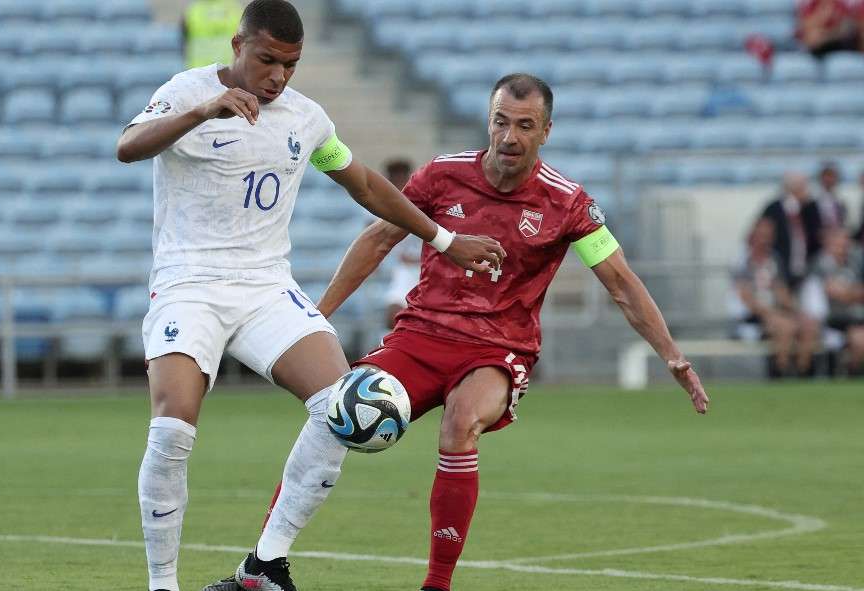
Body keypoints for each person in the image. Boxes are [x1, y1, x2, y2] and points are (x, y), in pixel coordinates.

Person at [115, 2, 505, 591]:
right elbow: (129, 146)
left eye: (290, 65)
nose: (277, 76)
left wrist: (444, 239)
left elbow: (366, 185)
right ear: (238, 44)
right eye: (267, 59)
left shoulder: (305, 119)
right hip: (188, 286)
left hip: (267, 288)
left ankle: (264, 565)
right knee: (172, 429)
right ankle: (162, 585)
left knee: (340, 407)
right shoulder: (187, 90)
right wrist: (202, 112)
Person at [285, 73, 708, 591]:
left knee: (461, 423)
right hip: (419, 335)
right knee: (334, 415)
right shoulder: (442, 176)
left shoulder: (567, 203)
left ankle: (436, 585)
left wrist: (671, 355)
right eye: (501, 122)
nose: (510, 137)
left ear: (546, 131)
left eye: (525, 126)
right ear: (490, 121)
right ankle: (264, 563)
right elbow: (379, 239)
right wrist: (318, 313)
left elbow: (620, 282)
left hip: (497, 349)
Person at [732, 218, 819, 377]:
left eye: (768, 235)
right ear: (753, 236)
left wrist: (797, 311)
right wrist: (770, 313)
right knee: (785, 327)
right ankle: (781, 373)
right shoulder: (743, 262)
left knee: (808, 325)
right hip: (755, 315)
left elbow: (781, 291)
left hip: (777, 312)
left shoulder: (775, 260)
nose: (765, 239)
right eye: (762, 235)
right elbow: (745, 297)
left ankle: (803, 373)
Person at [813, 228, 864, 373]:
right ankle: (851, 373)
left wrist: (849, 292)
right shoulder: (822, 264)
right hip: (835, 318)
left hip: (856, 316)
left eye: (846, 242)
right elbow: (835, 292)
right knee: (859, 340)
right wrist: (854, 293)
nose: (844, 246)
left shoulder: (854, 263)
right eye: (839, 241)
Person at [760, 172, 823, 288]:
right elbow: (761, 236)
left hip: (806, 271)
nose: (807, 191)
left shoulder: (810, 209)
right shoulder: (774, 208)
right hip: (780, 270)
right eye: (803, 186)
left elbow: (817, 236)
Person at [380, 158, 421, 329]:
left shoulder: (425, 203)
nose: (398, 184)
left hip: (425, 269)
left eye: (401, 178)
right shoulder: (380, 208)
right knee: (393, 317)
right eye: (394, 179)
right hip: (400, 271)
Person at [181, 0, 244, 68]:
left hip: (198, 70)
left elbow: (183, 38)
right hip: (229, 70)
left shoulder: (193, 10)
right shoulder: (235, 9)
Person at [815, 161, 848, 229]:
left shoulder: (843, 199)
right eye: (826, 176)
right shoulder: (814, 199)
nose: (829, 179)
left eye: (832, 176)